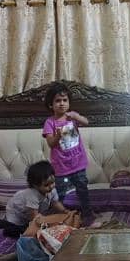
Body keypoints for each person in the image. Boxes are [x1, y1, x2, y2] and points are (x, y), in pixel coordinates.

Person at [0, 160, 77, 238]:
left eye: (52, 182)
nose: (51, 186)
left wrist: (65, 211)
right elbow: (34, 217)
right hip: (16, 212)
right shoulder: (32, 195)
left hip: (28, 214)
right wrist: (46, 225)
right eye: (46, 185)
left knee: (34, 227)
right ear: (35, 185)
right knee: (16, 231)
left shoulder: (51, 190)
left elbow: (55, 203)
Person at [42, 82, 94, 226]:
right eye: (58, 101)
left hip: (78, 164)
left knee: (83, 190)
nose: (62, 104)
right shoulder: (49, 123)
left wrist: (77, 117)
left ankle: (87, 214)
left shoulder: (72, 118)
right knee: (60, 194)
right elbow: (51, 143)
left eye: (65, 100)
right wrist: (58, 136)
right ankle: (59, 216)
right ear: (51, 105)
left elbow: (87, 122)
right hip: (61, 167)